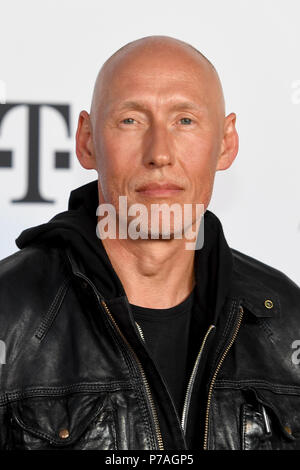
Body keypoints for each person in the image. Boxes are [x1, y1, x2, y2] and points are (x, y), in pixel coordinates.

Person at [0, 35, 299, 451]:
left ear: (226, 143)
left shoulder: (287, 321)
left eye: (185, 121)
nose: (159, 153)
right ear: (87, 140)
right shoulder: (7, 313)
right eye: (131, 120)